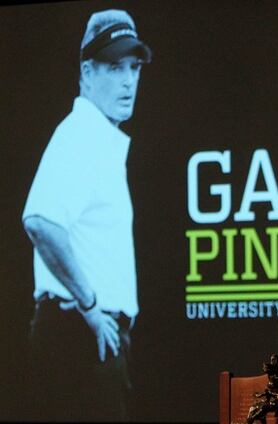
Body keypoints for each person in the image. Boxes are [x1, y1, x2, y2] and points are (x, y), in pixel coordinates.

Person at [21, 9, 152, 421]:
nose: (129, 81)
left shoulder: (98, 137)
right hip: (79, 338)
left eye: (134, 67)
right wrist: (91, 307)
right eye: (116, 67)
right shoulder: (81, 135)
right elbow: (40, 221)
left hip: (88, 337)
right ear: (87, 72)